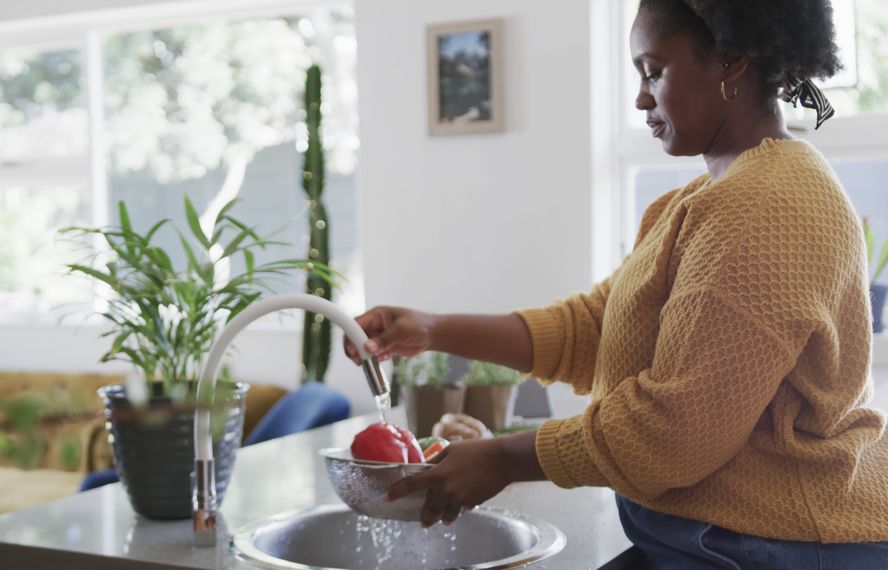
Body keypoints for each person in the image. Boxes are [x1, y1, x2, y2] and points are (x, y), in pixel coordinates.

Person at [344, 1, 888, 567]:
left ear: (730, 61)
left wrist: (503, 458)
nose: (640, 97)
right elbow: (595, 330)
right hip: (716, 535)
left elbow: (676, 432)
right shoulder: (697, 202)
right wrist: (430, 329)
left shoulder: (765, 206)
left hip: (778, 544)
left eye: (654, 71)